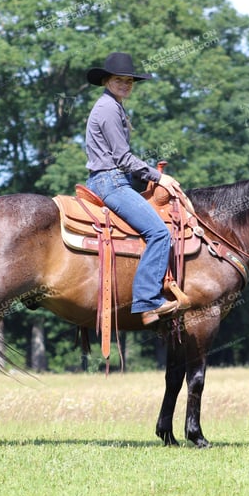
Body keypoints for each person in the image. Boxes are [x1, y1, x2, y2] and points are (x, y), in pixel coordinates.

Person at [84, 52, 183, 325]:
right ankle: (148, 301)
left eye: (129, 81)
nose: (126, 85)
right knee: (160, 233)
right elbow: (123, 159)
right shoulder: (107, 108)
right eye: (120, 80)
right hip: (110, 182)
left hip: (113, 179)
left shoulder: (113, 105)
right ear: (106, 80)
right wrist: (158, 178)